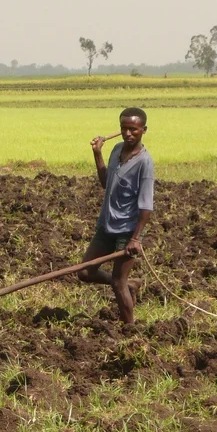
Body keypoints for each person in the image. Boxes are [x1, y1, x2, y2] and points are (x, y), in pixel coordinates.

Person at [77, 107, 154, 324]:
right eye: (124, 128)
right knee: (85, 272)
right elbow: (105, 182)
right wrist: (97, 154)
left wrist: (135, 239)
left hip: (127, 230)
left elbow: (146, 206)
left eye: (133, 129)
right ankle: (131, 285)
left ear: (143, 130)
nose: (128, 133)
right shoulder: (116, 149)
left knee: (118, 283)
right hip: (107, 224)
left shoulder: (144, 163)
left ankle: (130, 329)